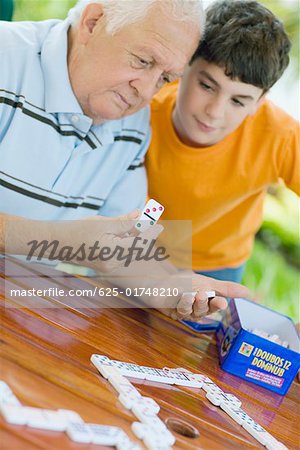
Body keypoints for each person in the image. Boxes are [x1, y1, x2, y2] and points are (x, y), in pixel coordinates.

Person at [0, 0, 249, 320]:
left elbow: (118, 249)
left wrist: (169, 286)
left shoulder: (132, 123)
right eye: (143, 60)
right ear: (93, 22)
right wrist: (59, 241)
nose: (146, 91)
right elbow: (79, 245)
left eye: (164, 79)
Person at [147, 0, 299, 284]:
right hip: (139, 245)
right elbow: (132, 201)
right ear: (185, 65)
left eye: (238, 101)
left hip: (218, 267)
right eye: (206, 85)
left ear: (259, 101)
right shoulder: (145, 104)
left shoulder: (280, 136)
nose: (214, 112)